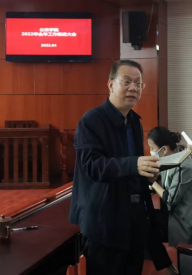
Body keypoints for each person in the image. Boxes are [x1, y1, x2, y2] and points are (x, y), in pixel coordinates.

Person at [69, 60, 178, 275]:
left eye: (138, 83)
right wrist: (134, 164)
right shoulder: (91, 121)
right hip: (105, 221)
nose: (133, 88)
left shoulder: (135, 121)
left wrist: (146, 175)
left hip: (134, 219)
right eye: (126, 82)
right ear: (110, 85)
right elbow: (92, 166)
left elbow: (130, 169)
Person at [148, 127, 192, 247]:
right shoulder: (168, 158)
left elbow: (170, 199)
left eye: (152, 148)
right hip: (179, 214)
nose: (150, 151)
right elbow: (161, 178)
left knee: (148, 226)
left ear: (164, 149)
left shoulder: (182, 165)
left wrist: (152, 183)